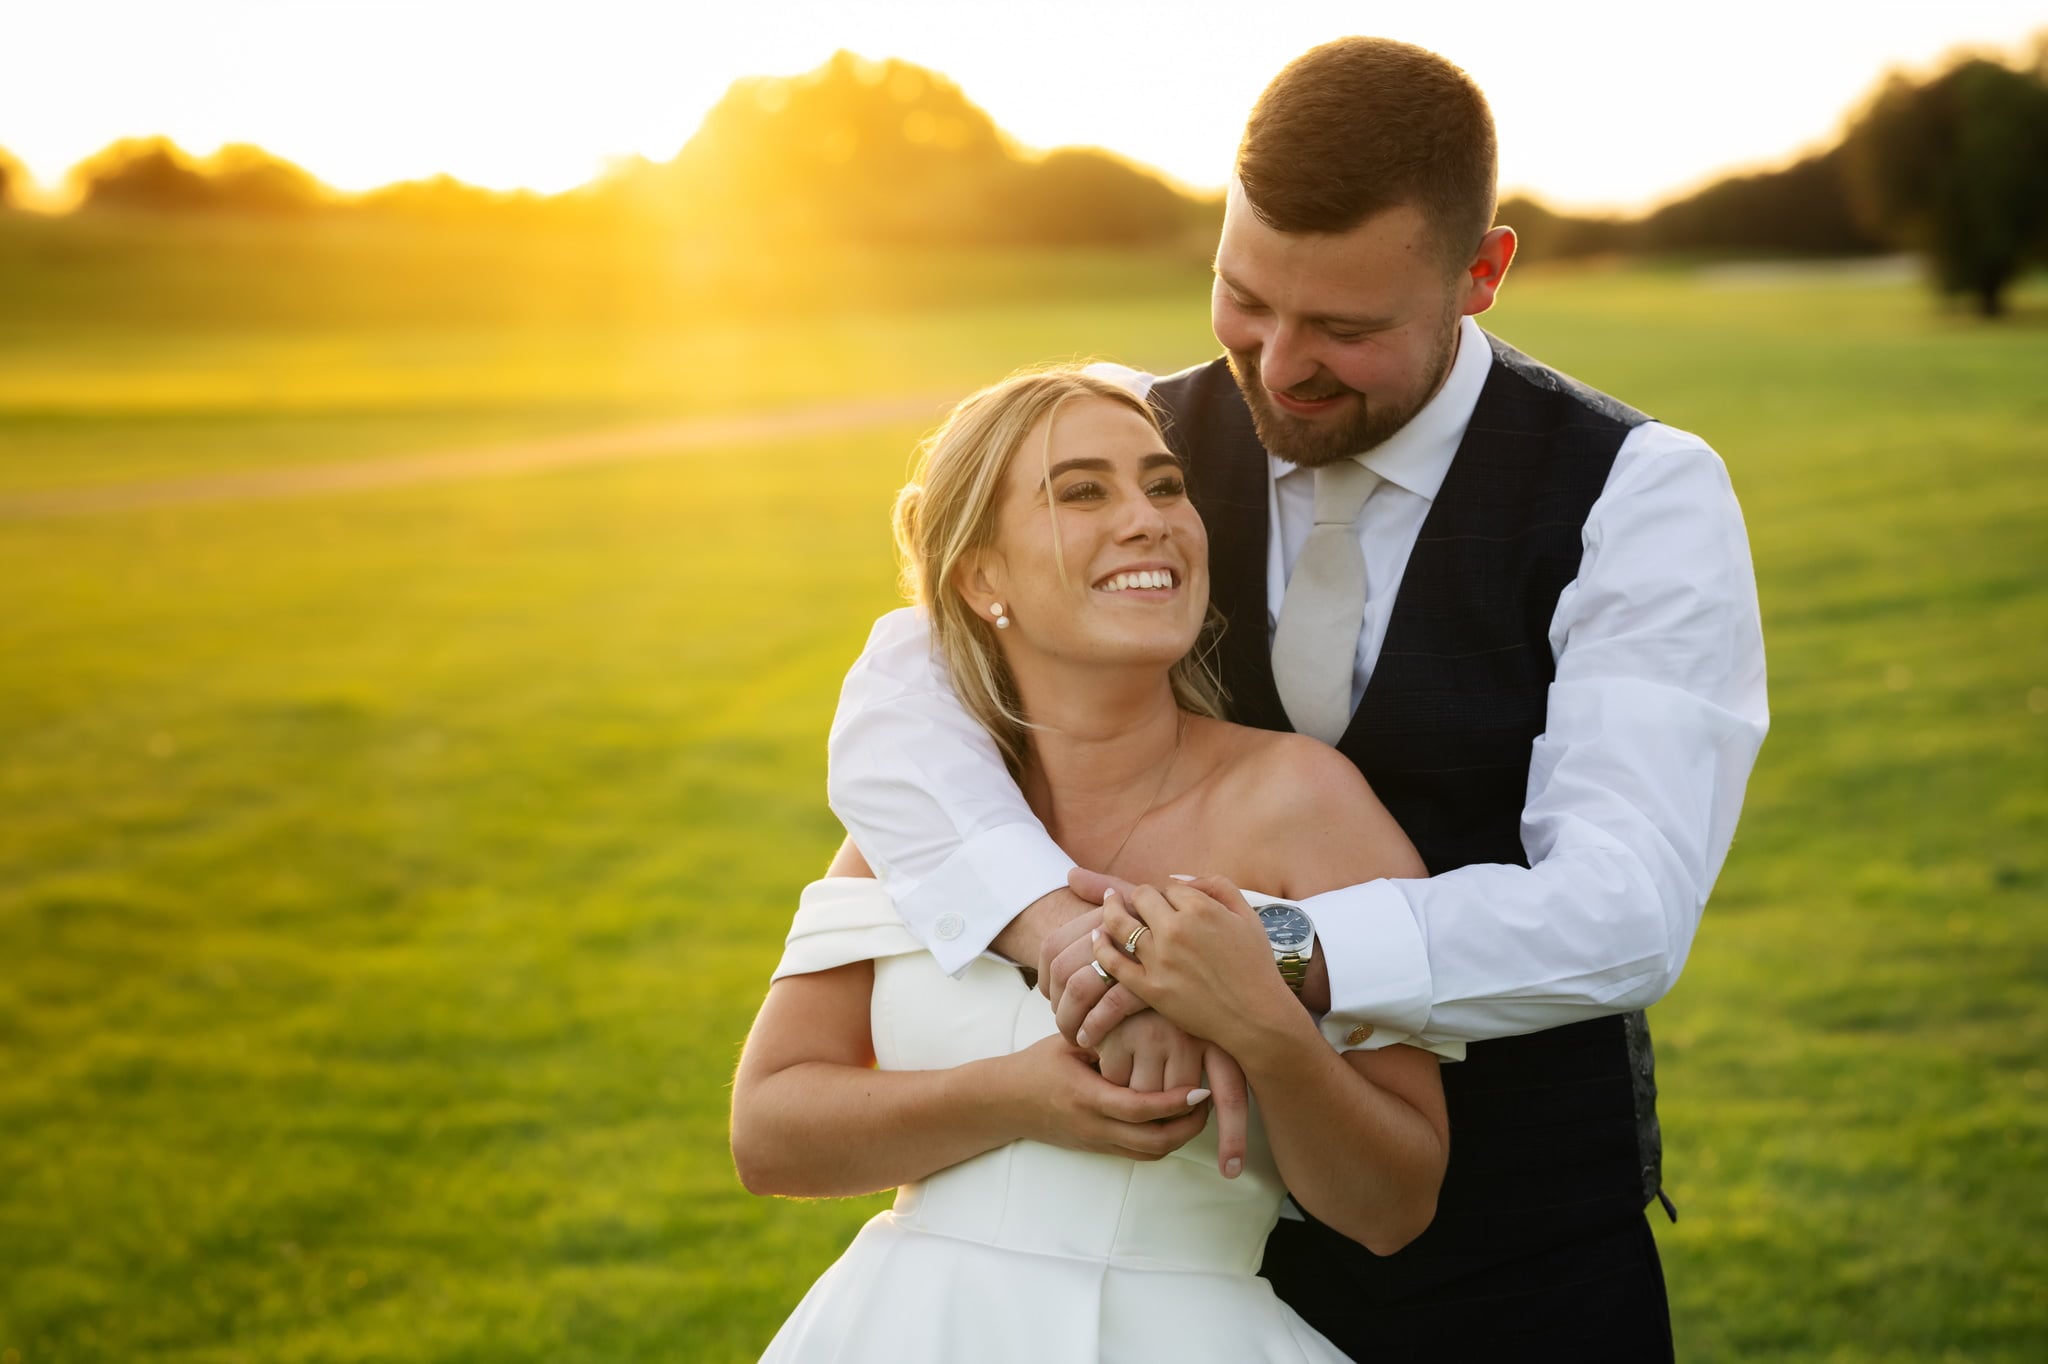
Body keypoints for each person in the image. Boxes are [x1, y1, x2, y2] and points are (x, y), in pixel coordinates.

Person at [826, 36, 1769, 1361]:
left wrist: (1258, 959)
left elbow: (1624, 910)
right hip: (1174, 1267)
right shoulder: (1140, 452)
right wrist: (1059, 932)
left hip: (1513, 1261)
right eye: (1244, 299)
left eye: (1345, 329)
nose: (1275, 367)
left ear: (1482, 275)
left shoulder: (1638, 493)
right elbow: (897, 691)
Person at [732, 368, 1455, 1362]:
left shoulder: (1305, 802)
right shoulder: (918, 816)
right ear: (982, 579)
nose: (1147, 519)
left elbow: (1394, 1203)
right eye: (1080, 491)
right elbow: (768, 1132)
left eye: (1162, 486)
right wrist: (1017, 1094)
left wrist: (1257, 1021)